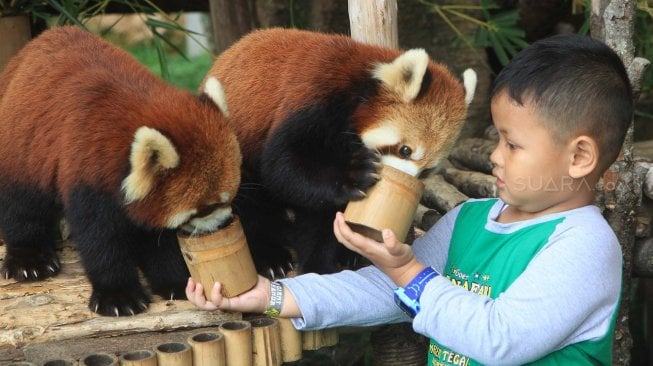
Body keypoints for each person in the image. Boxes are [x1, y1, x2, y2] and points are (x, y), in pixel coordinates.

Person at [186, 33, 633, 365]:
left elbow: (502, 340)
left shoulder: (585, 246)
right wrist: (271, 294)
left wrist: (407, 270)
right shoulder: (470, 219)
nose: (494, 156)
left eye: (512, 145)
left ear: (579, 157)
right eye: (496, 139)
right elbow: (389, 290)